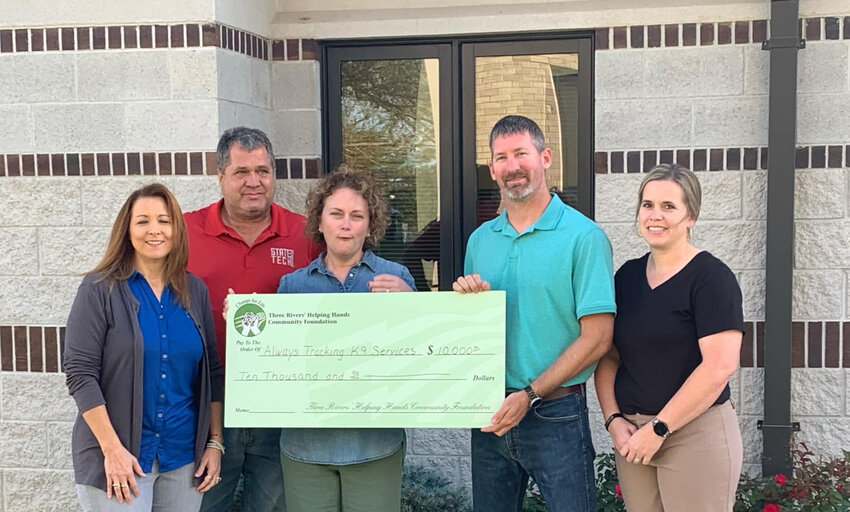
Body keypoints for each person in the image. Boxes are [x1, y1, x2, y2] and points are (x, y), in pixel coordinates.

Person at [452, 115, 616, 512]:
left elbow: (598, 337)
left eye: (521, 153)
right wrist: (464, 301)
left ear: (545, 157)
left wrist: (529, 395)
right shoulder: (480, 240)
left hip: (556, 412)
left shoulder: (584, 237)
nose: (512, 167)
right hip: (491, 408)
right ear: (492, 169)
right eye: (502, 157)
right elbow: (473, 330)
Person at [64, 183, 224, 512]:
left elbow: (211, 371)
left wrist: (215, 442)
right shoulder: (99, 289)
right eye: (143, 221)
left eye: (164, 221)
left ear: (176, 229)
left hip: (183, 461)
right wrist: (112, 451)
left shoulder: (195, 289)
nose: (155, 230)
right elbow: (80, 374)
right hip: (119, 460)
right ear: (127, 230)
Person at [594, 163, 743, 511]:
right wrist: (613, 420)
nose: (654, 215)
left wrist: (659, 428)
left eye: (668, 206)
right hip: (634, 434)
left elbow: (719, 366)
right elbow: (609, 355)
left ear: (691, 216)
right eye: (647, 205)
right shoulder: (627, 277)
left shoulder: (711, 279)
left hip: (694, 434)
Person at [184, 127, 319, 512]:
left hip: (280, 400)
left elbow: (341, 287)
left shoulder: (305, 233)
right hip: (207, 400)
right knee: (204, 505)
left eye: (263, 171)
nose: (254, 182)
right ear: (220, 176)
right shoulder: (186, 231)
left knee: (275, 507)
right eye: (242, 172)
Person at [276, 165, 414, 512]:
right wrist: (245, 321)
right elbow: (276, 361)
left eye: (357, 215)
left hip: (375, 446)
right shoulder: (293, 286)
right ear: (319, 221)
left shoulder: (396, 278)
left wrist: (412, 307)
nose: (346, 224)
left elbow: (420, 357)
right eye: (336, 214)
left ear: (370, 225)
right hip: (305, 447)